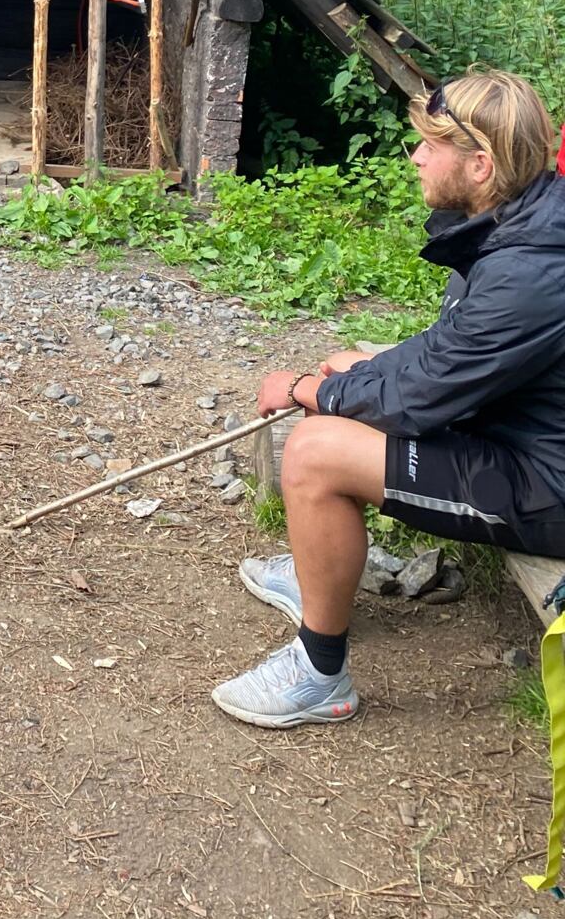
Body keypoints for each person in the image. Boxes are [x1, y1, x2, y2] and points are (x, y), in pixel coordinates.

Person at [212, 68, 565, 728]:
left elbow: (421, 397)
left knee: (315, 450)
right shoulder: (522, 221)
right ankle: (318, 571)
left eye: (430, 145)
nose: (416, 158)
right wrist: (359, 373)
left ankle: (319, 675)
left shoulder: (533, 268)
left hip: (547, 483)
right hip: (515, 431)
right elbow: (452, 351)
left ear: (482, 165)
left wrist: (310, 390)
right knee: (354, 369)